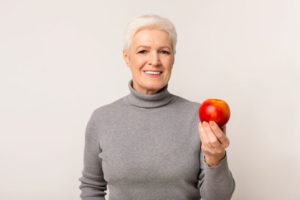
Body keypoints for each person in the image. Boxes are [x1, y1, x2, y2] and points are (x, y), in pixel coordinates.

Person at [79, 14, 235, 200]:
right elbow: (92, 187)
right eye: (143, 51)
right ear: (127, 57)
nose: (154, 60)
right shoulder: (102, 119)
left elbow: (218, 198)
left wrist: (215, 159)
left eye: (164, 51)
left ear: (173, 59)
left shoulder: (197, 116)